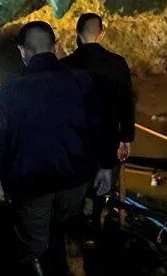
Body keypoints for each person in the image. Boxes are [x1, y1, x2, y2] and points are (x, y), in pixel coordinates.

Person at [0, 21, 115, 276]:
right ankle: (74, 267)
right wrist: (106, 166)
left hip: (30, 182)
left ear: (22, 51)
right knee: (69, 232)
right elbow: (103, 127)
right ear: (57, 46)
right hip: (74, 176)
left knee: (33, 244)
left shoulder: (7, 92)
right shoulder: (83, 81)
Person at [63, 13, 136, 231]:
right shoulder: (117, 64)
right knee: (102, 191)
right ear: (102, 34)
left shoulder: (66, 65)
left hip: (74, 144)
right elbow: (127, 103)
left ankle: (73, 232)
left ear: (77, 34)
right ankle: (96, 227)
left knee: (74, 194)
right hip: (107, 142)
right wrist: (126, 139)